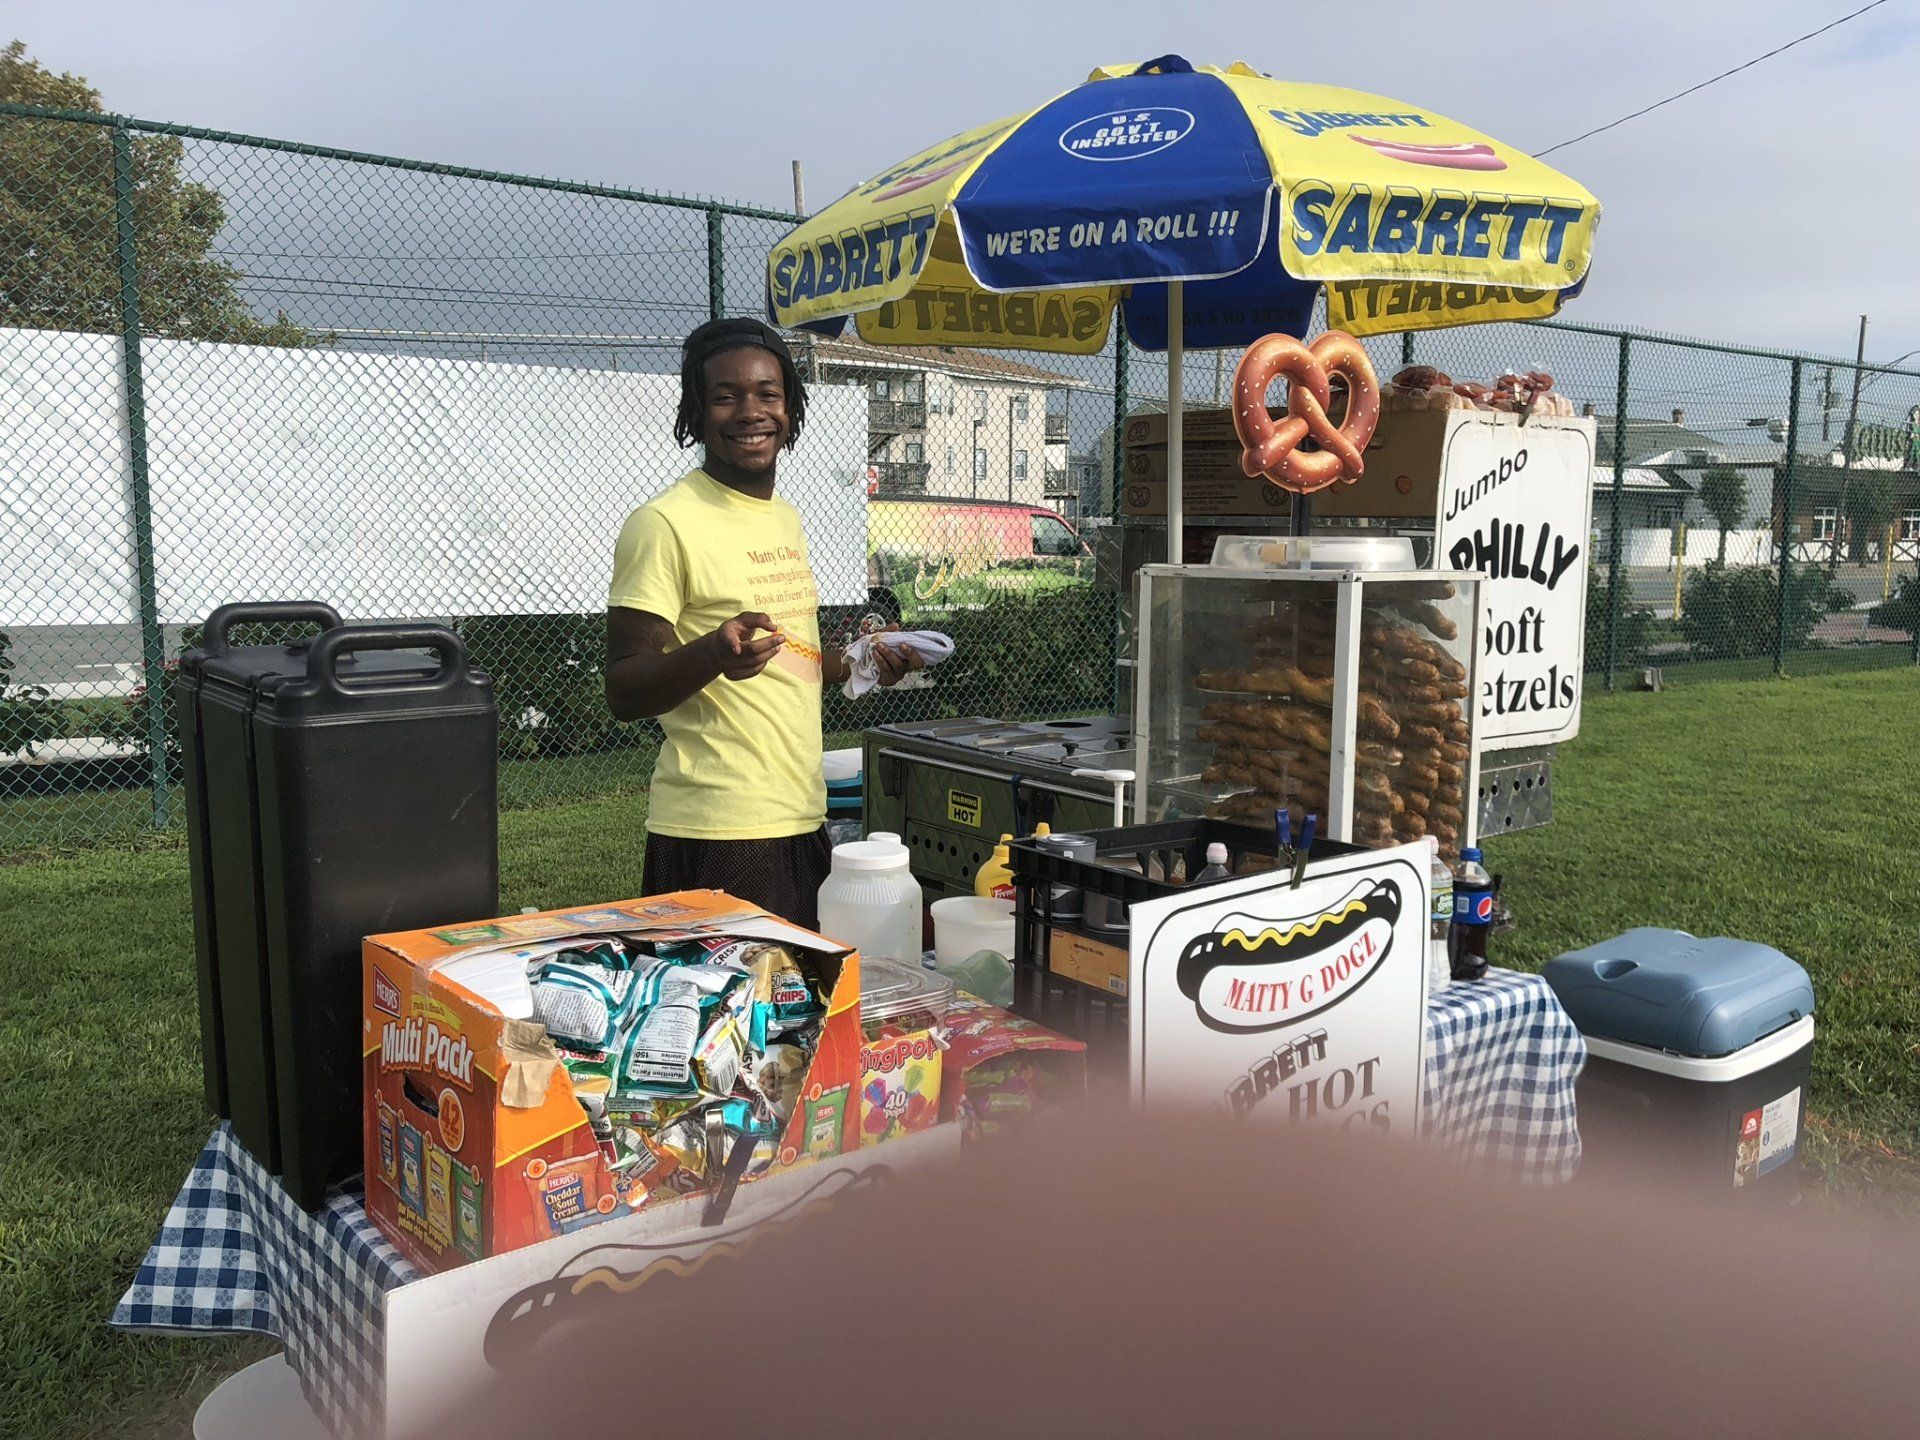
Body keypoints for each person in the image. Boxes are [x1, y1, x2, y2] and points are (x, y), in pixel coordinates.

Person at [605, 318, 922, 927]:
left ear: (790, 408)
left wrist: (861, 661)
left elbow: (786, 658)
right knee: (746, 993)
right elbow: (623, 687)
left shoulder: (783, 518)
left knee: (805, 987)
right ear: (697, 412)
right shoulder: (663, 524)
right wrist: (711, 655)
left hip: (800, 814)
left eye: (767, 394)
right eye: (726, 396)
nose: (751, 412)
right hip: (719, 828)